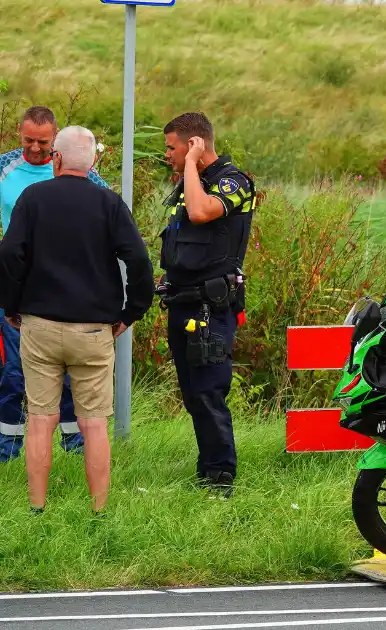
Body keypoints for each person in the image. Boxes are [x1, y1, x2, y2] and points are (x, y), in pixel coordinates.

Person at [0, 125, 154, 514]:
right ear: (94, 161)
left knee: (40, 419)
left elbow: (10, 256)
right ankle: (99, 511)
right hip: (94, 329)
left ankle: (37, 508)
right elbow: (138, 261)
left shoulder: (33, 198)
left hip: (40, 326)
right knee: (94, 423)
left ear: (57, 159)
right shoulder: (110, 203)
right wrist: (130, 313)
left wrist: (12, 307)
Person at [155, 112, 256, 498]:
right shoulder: (189, 183)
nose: (167, 154)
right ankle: (206, 470)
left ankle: (220, 479)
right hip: (183, 301)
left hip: (212, 308)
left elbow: (201, 213)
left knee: (209, 392)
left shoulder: (233, 181)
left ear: (194, 143)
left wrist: (193, 165)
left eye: (172, 147)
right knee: (193, 393)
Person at [0, 106, 109, 462]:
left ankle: (75, 448)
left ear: (56, 139)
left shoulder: (78, 168)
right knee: (15, 371)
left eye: (43, 142)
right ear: (19, 132)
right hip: (14, 286)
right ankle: (8, 451)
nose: (34, 148)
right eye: (28, 139)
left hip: (65, 288)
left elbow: (110, 209)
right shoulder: (5, 168)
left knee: (68, 372)